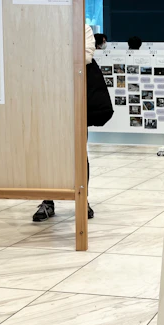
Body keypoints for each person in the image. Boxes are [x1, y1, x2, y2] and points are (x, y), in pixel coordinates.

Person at [33, 25, 102, 222]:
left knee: (79, 153)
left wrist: (51, 57)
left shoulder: (82, 27)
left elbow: (86, 57)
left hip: (74, 98)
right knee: (46, 153)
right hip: (45, 95)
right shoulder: (40, 24)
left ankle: (82, 199)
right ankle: (47, 200)